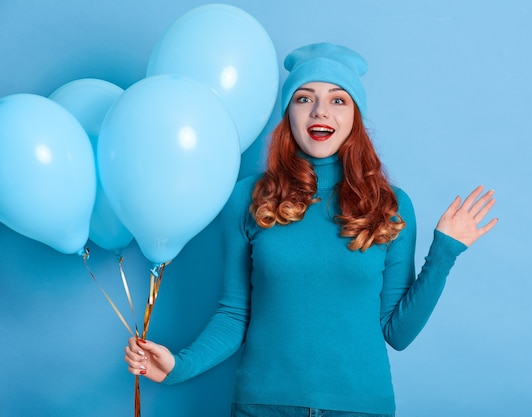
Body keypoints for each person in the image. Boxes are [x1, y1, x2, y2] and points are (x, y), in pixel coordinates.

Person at [124, 42, 497, 417]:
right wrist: (178, 366)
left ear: (355, 116)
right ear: (288, 113)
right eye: (304, 99)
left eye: (338, 100)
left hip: (360, 408)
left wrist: (445, 252)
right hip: (262, 406)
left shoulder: (391, 206)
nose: (320, 111)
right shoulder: (248, 198)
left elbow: (397, 333)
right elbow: (235, 314)